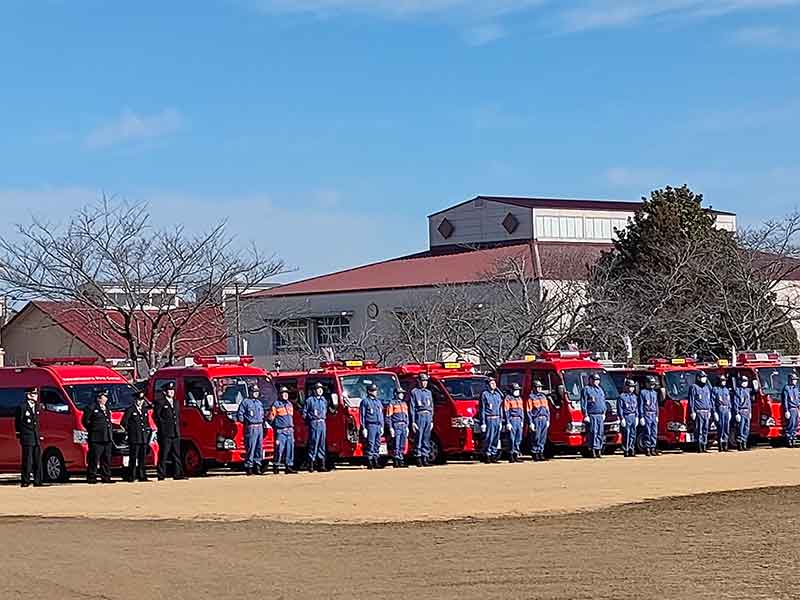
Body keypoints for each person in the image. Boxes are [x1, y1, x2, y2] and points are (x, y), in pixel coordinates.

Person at [153, 382, 185, 480]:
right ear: (165, 392)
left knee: (176, 454)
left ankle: (178, 473)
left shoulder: (176, 402)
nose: (172, 392)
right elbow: (157, 416)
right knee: (164, 453)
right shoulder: (160, 402)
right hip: (166, 433)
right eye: (169, 390)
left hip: (175, 432)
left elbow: (177, 417)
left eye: (172, 390)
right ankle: (161, 474)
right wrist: (163, 427)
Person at [82, 389, 114, 484]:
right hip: (96, 438)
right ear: (99, 398)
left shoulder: (106, 408)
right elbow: (85, 421)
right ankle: (92, 477)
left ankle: (106, 477)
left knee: (106, 458)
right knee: (94, 458)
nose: (106, 399)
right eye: (104, 397)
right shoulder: (91, 407)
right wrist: (93, 429)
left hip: (107, 437)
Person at [15, 387, 44, 487]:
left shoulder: (37, 407)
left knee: (37, 459)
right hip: (27, 437)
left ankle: (38, 480)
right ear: (29, 395)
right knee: (28, 460)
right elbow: (18, 423)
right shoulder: (22, 407)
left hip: (36, 437)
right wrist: (20, 434)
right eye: (34, 394)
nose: (36, 396)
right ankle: (25, 481)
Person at [121, 391, 151, 482]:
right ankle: (132, 475)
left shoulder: (144, 410)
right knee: (133, 458)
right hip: (134, 438)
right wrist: (129, 432)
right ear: (135, 400)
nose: (140, 402)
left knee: (142, 458)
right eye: (138, 400)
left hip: (143, 438)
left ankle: (142, 475)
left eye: (141, 400)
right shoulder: (130, 410)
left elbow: (146, 423)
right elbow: (123, 423)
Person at [236, 384, 266, 475]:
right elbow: (240, 415)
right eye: (254, 391)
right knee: (251, 447)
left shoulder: (259, 403)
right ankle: (249, 467)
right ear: (250, 392)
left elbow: (262, 415)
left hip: (259, 426)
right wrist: (246, 422)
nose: (256, 393)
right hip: (251, 427)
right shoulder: (245, 402)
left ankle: (257, 466)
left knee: (259, 447)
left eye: (257, 392)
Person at [268, 386, 296, 474]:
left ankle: (289, 466)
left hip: (290, 430)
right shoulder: (276, 405)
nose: (285, 395)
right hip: (281, 431)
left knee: (290, 449)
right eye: (283, 393)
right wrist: (276, 427)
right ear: (280, 395)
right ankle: (276, 466)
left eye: (286, 393)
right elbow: (270, 418)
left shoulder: (289, 404)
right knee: (279, 449)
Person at [303, 382, 330, 472]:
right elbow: (304, 413)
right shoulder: (309, 400)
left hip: (322, 423)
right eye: (318, 389)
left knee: (322, 444)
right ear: (314, 390)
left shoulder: (324, 400)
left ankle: (321, 465)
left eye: (321, 389)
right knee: (314, 443)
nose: (319, 390)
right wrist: (309, 421)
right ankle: (311, 464)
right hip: (314, 423)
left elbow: (326, 411)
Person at [410, 373, 434, 467]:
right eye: (422, 381)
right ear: (419, 381)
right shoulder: (414, 392)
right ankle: (418, 457)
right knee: (419, 437)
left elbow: (431, 407)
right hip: (419, 416)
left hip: (428, 415)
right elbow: (412, 407)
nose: (424, 383)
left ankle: (425, 456)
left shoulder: (429, 392)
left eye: (425, 381)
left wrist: (431, 420)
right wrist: (413, 422)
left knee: (426, 437)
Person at [580, 373, 607, 459]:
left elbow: (603, 402)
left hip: (600, 415)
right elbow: (583, 403)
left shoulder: (600, 390)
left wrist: (604, 413)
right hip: (592, 415)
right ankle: (592, 450)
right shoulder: (586, 389)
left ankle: (598, 449)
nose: (596, 382)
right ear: (590, 380)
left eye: (598, 380)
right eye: (595, 380)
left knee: (600, 433)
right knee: (593, 432)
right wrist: (585, 414)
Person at [360, 383, 385, 469]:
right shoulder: (365, 401)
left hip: (378, 425)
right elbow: (362, 415)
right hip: (370, 425)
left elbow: (381, 414)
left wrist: (382, 426)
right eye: (374, 390)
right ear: (369, 391)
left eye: (375, 390)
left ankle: (376, 460)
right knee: (370, 443)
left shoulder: (378, 402)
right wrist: (363, 427)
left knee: (377, 444)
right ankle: (369, 461)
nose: (375, 392)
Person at [478, 378, 503, 463]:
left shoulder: (497, 395)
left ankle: (493, 454)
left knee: (496, 438)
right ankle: (487, 454)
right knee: (489, 438)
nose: (494, 385)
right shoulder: (485, 394)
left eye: (494, 383)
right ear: (488, 385)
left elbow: (500, 408)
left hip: (497, 418)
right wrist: (483, 423)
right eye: (492, 383)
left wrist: (500, 421)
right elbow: (482, 409)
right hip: (489, 418)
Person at [688, 371, 714, 453]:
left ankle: (704, 445)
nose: (704, 379)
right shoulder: (694, 387)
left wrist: (710, 410)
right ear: (698, 378)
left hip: (706, 411)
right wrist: (692, 411)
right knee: (699, 429)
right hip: (699, 411)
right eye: (703, 377)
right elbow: (691, 400)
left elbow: (709, 400)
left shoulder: (706, 388)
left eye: (705, 377)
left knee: (705, 429)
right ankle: (699, 446)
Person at [385, 387, 410, 468]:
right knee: (396, 443)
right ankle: (396, 460)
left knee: (402, 443)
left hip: (403, 425)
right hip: (396, 425)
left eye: (402, 393)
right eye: (400, 393)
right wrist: (391, 428)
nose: (402, 395)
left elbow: (407, 416)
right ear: (396, 394)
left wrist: (407, 426)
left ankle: (401, 459)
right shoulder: (392, 404)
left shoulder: (404, 403)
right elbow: (389, 417)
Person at [527, 380, 550, 462]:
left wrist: (548, 420)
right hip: (536, 419)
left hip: (544, 418)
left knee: (543, 437)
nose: (539, 389)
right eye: (538, 387)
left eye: (540, 387)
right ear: (534, 388)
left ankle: (541, 452)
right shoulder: (531, 397)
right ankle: (535, 452)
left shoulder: (543, 397)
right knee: (536, 436)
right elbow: (529, 410)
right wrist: (531, 422)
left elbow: (547, 409)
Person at [502, 383, 525, 463]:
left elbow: (522, 411)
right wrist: (508, 422)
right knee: (511, 438)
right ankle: (510, 454)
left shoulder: (519, 399)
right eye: (515, 390)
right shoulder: (508, 398)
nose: (517, 391)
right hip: (512, 419)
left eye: (518, 390)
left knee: (518, 438)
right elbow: (506, 411)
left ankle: (516, 454)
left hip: (519, 420)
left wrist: (522, 420)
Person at [617, 379, 639, 458]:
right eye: (630, 387)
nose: (631, 388)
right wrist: (622, 418)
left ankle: (631, 448)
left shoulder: (634, 397)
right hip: (626, 416)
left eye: (633, 387)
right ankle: (625, 449)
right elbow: (620, 408)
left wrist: (637, 417)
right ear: (626, 387)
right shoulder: (621, 397)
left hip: (633, 416)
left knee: (633, 434)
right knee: (626, 434)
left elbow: (636, 408)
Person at [638, 376, 660, 456]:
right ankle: (647, 448)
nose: (652, 386)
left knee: (654, 432)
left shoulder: (654, 393)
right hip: (646, 414)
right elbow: (641, 405)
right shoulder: (643, 392)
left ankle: (653, 448)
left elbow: (656, 404)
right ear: (646, 383)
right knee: (647, 432)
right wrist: (641, 416)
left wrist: (657, 415)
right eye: (650, 384)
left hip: (653, 414)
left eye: (653, 384)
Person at [712, 374, 732, 452]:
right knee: (721, 427)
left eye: (724, 380)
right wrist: (714, 412)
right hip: (719, 409)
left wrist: (729, 410)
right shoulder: (715, 389)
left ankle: (725, 443)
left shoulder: (726, 390)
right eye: (722, 380)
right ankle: (720, 444)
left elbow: (729, 400)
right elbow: (713, 401)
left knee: (726, 427)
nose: (723, 382)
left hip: (726, 409)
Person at [732, 375, 752, 450]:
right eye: (743, 381)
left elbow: (749, 402)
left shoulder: (747, 390)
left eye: (746, 381)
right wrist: (737, 413)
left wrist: (750, 411)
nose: (745, 383)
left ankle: (744, 443)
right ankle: (740, 444)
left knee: (746, 428)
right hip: (741, 411)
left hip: (747, 411)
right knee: (741, 428)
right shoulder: (737, 390)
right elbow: (736, 402)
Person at [781, 372, 800, 447]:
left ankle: (794, 439)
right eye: (794, 379)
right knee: (790, 425)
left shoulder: (796, 388)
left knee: (795, 425)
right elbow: (785, 400)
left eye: (796, 379)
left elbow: (798, 399)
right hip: (790, 409)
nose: (795, 381)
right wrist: (786, 410)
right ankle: (789, 440)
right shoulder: (786, 388)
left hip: (796, 408)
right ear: (790, 380)